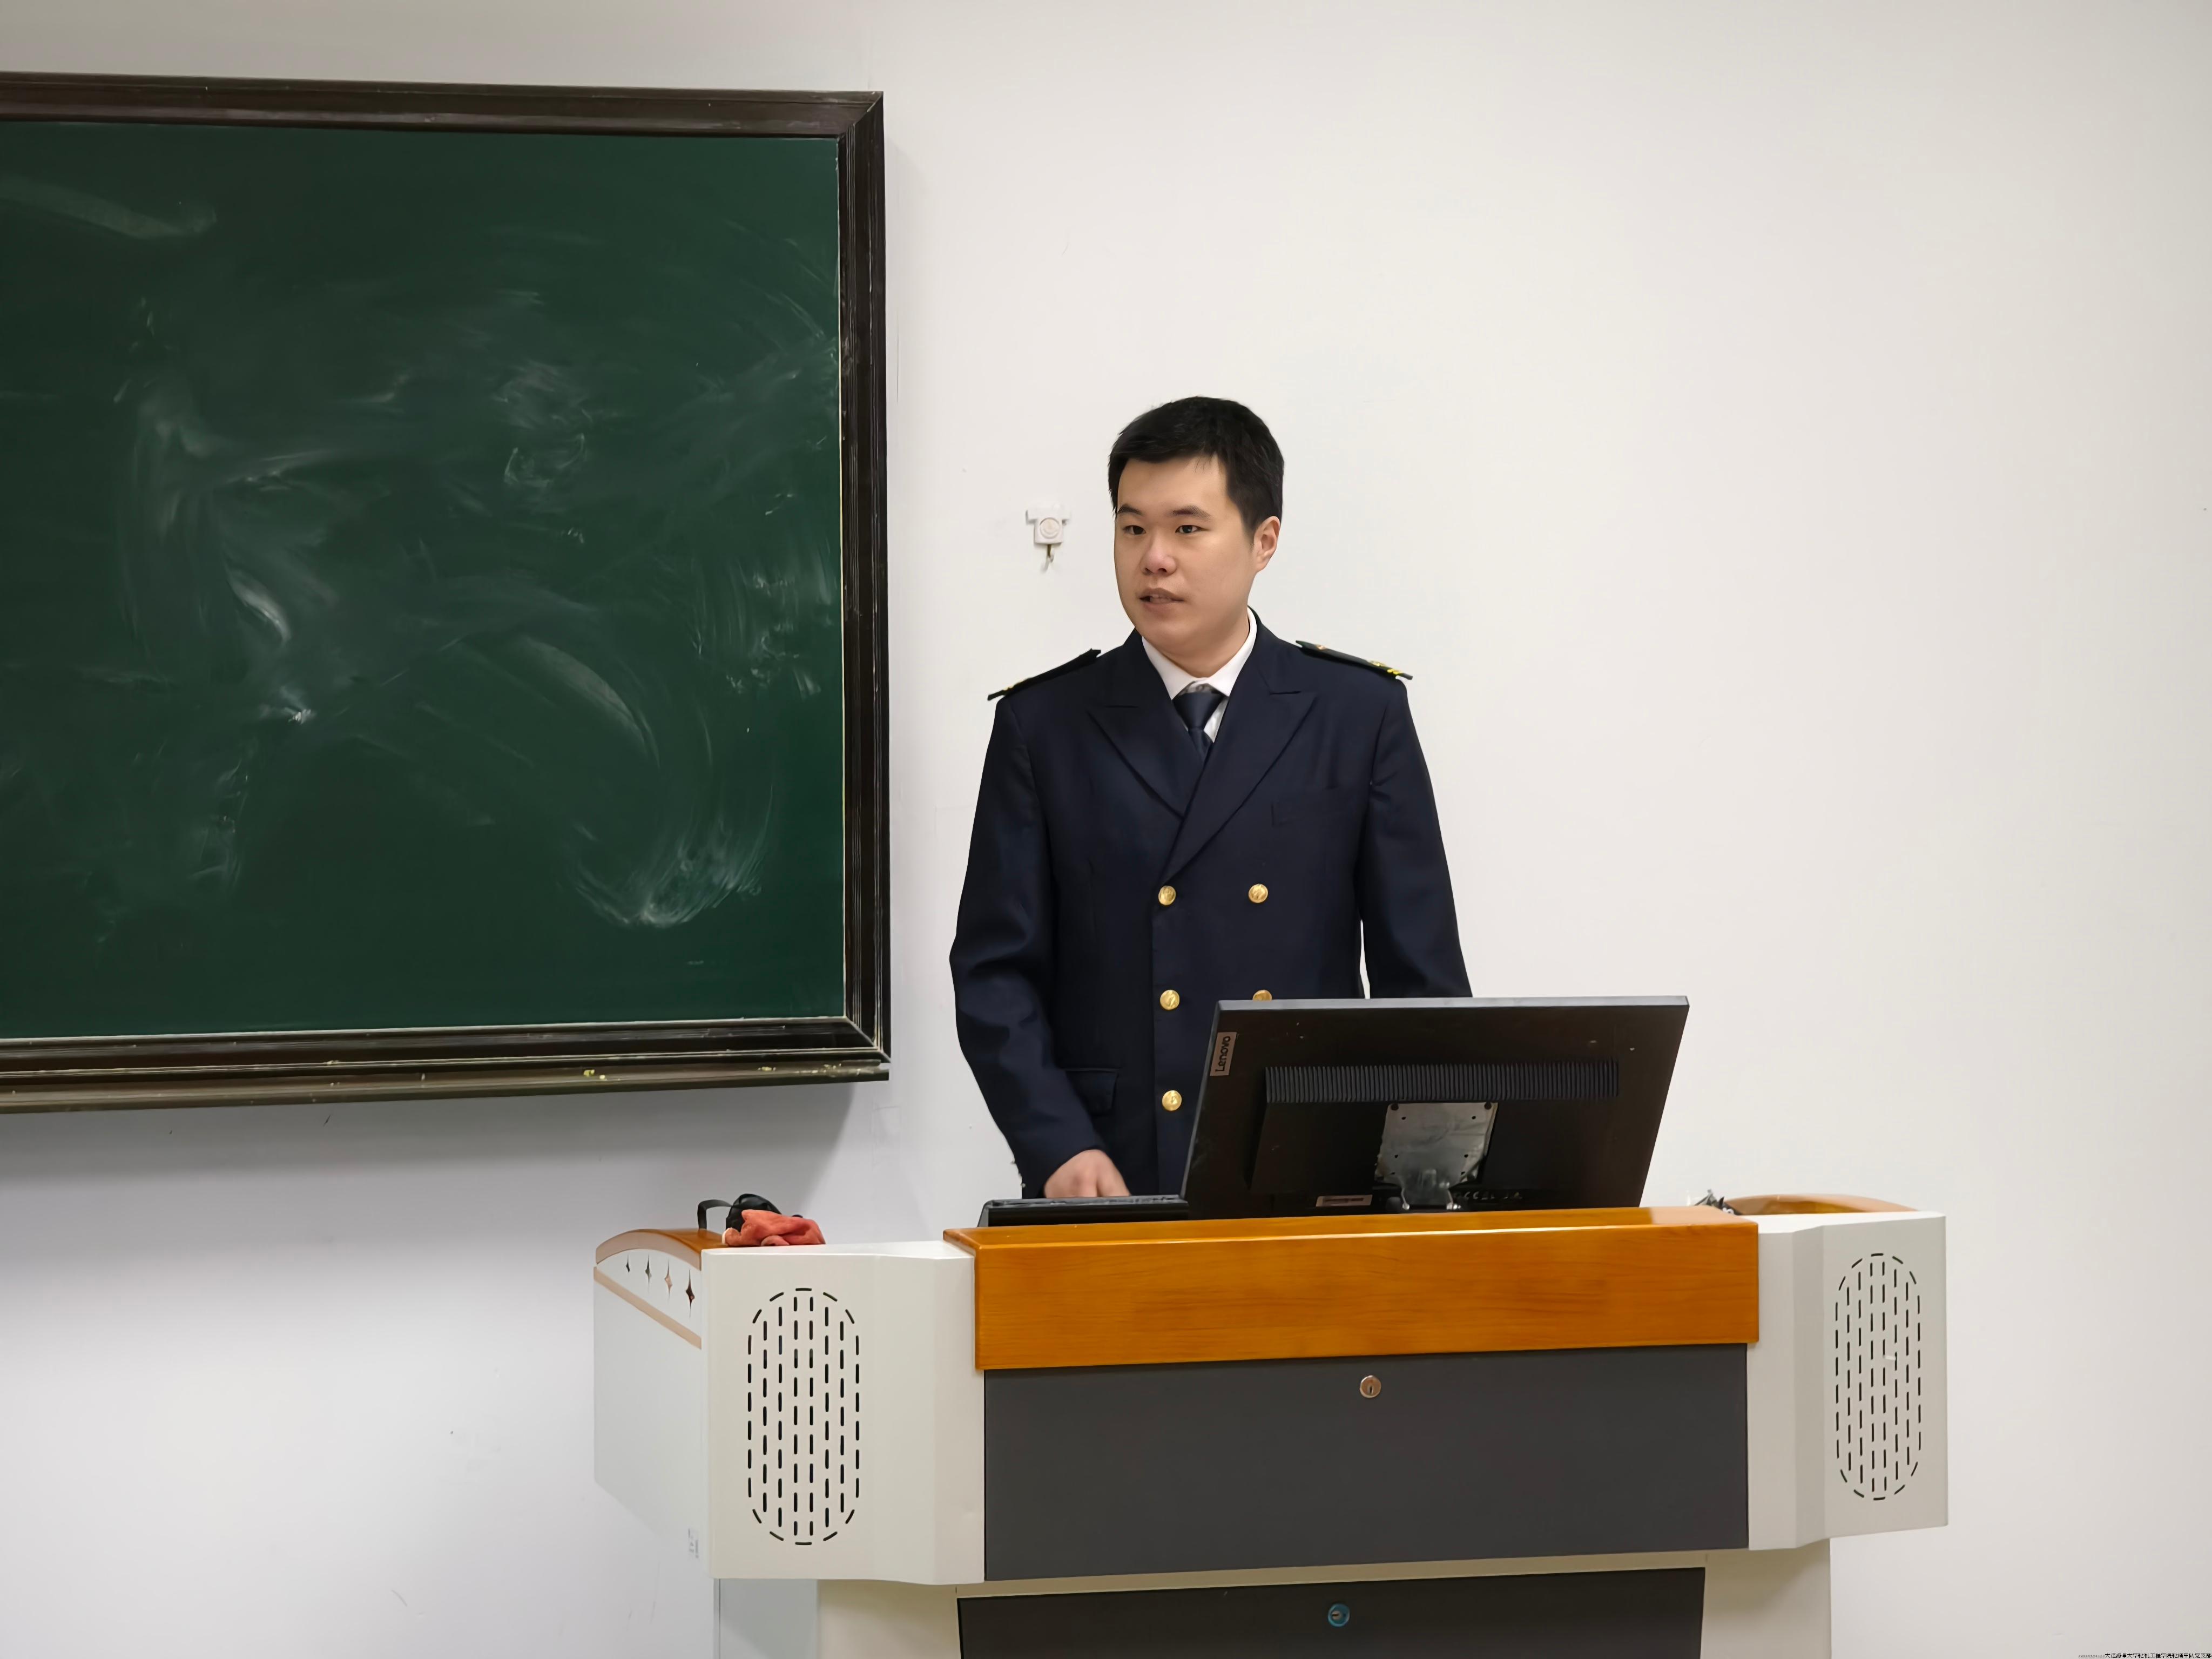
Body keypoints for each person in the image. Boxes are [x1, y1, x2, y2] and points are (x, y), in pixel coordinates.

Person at [949, 397, 1470, 1198]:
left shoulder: (1357, 715)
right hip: (1112, 1167)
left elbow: (1422, 985)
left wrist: (1427, 1171)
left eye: (1187, 528)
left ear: (1265, 541)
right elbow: (995, 973)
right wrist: (1055, 1144)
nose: (1154, 559)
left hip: (1312, 1161)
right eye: (1132, 529)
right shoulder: (1045, 724)